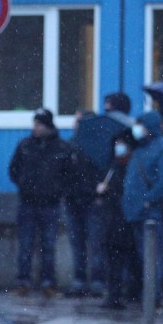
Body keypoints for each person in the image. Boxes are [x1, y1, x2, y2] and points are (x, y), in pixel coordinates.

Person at [8, 107, 70, 296]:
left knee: (48, 245)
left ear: (47, 126)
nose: (35, 128)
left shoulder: (61, 147)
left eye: (39, 124)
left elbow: (69, 175)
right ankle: (23, 282)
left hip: (50, 204)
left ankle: (48, 283)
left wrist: (57, 191)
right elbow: (14, 169)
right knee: (25, 244)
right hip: (28, 202)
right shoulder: (25, 145)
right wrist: (25, 186)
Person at [123, 111, 163, 304]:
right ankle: (145, 293)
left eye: (141, 125)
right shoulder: (139, 149)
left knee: (154, 256)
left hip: (152, 213)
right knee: (142, 256)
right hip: (135, 212)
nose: (137, 129)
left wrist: (148, 199)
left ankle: (154, 295)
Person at [64, 111, 107, 297]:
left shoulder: (98, 146)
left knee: (95, 243)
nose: (75, 124)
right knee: (77, 243)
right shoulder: (71, 145)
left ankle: (97, 280)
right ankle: (79, 279)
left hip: (92, 201)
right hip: (73, 200)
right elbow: (62, 171)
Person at [98, 132, 141, 309]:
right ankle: (114, 295)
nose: (118, 146)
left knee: (130, 260)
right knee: (113, 260)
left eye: (121, 143)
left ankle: (132, 292)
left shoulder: (133, 165)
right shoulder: (113, 165)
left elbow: (129, 191)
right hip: (112, 221)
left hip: (126, 220)